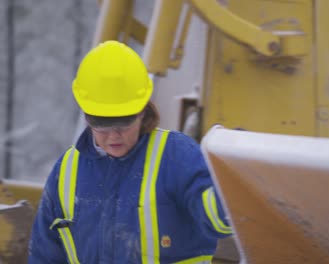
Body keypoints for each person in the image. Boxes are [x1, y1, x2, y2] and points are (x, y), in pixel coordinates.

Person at [28, 41, 232, 264]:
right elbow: (45, 253)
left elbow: (220, 220)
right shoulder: (67, 170)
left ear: (143, 112)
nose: (114, 136)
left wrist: (234, 170)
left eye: (124, 123)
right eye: (103, 125)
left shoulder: (176, 157)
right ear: (87, 116)